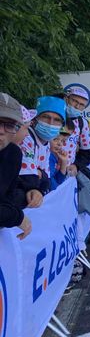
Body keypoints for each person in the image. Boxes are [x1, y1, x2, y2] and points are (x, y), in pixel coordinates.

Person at [17, 96, 67, 206]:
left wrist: (40, 174)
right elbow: (28, 178)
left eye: (57, 120)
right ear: (35, 119)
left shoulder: (46, 143)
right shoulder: (25, 136)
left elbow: (46, 181)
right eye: (46, 117)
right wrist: (38, 176)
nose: (51, 123)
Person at [0, 93, 32, 239]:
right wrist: (17, 217)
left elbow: (8, 196)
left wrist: (34, 189)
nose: (1, 131)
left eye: (9, 125)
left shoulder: (13, 153)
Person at [62, 86, 90, 172]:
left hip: (68, 170)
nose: (77, 106)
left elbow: (87, 151)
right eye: (74, 101)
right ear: (66, 99)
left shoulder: (82, 123)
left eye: (82, 105)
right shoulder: (53, 114)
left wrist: (77, 166)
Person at [48, 126, 70, 191]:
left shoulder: (55, 156)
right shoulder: (47, 157)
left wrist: (64, 162)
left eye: (62, 141)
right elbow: (52, 184)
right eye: (55, 139)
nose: (59, 144)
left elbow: (59, 180)